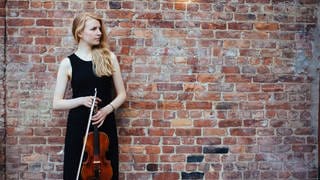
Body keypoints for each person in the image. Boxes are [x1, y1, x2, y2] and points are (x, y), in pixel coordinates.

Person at [52, 12, 126, 180]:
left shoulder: (109, 58)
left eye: (99, 28)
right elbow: (56, 103)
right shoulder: (67, 63)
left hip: (104, 125)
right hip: (78, 126)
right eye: (93, 29)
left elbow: (122, 94)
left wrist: (107, 110)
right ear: (80, 33)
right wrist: (81, 100)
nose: (99, 32)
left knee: (107, 173)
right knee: (75, 172)